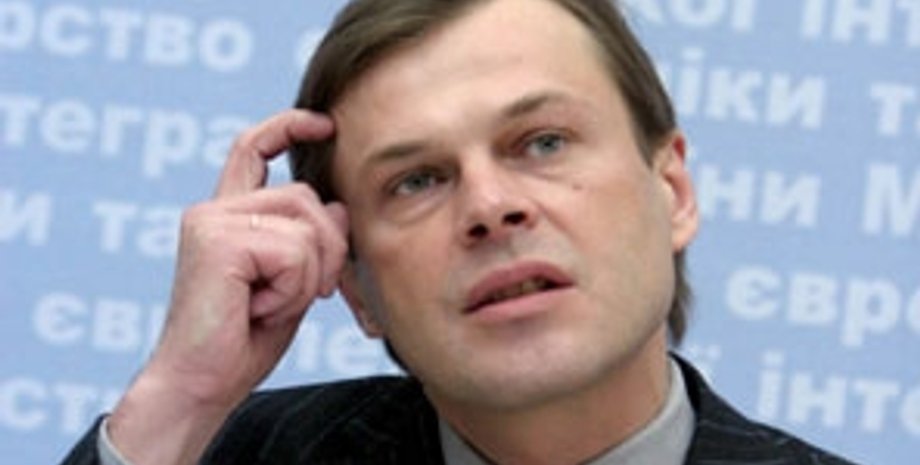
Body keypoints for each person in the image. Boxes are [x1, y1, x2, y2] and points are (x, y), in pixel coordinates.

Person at [62, 0, 857, 464]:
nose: (489, 205)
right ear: (355, 286)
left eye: (542, 142)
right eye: (417, 180)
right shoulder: (233, 454)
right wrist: (181, 396)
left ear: (673, 192)